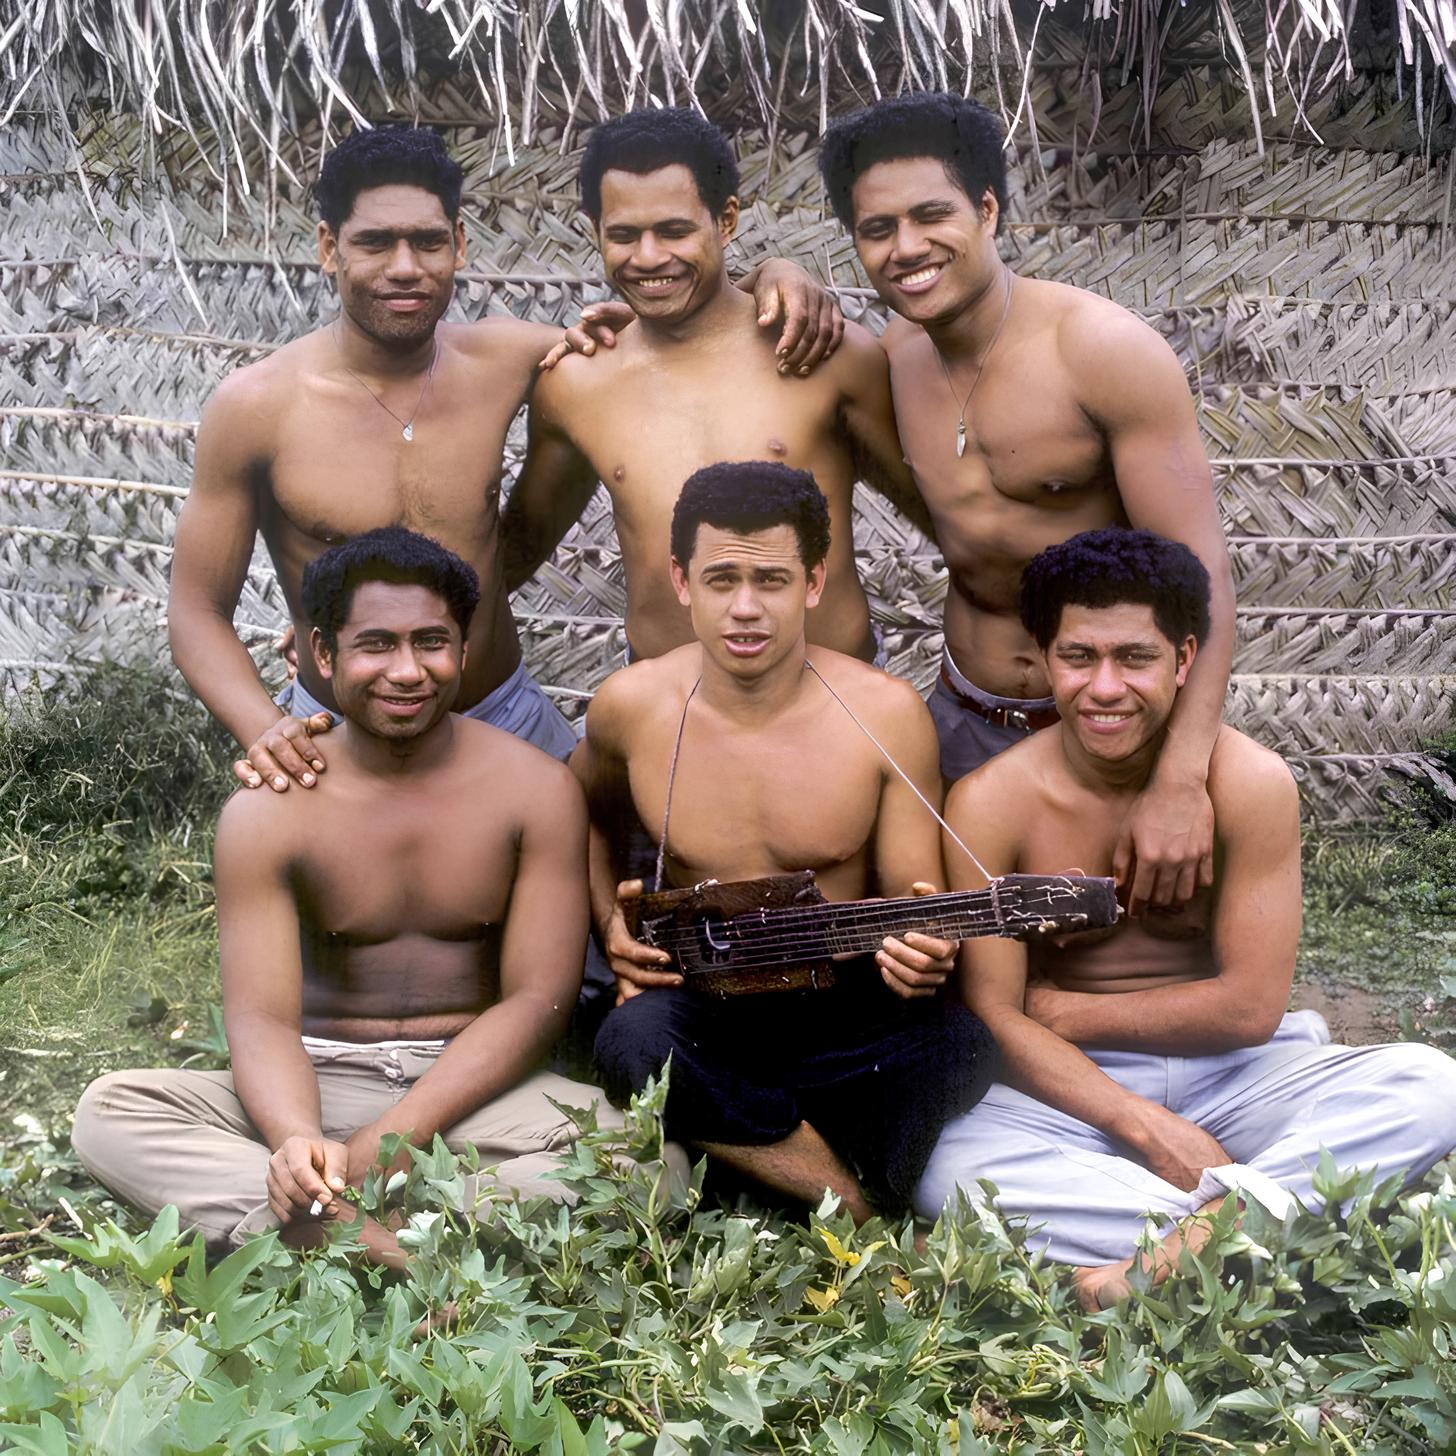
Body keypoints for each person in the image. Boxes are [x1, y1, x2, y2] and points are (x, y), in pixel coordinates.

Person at [169, 124, 836, 793]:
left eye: (427, 241)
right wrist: (263, 726)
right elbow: (197, 610)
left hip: (502, 712)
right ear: (328, 248)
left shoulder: (513, 358)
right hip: (338, 730)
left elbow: (679, 317)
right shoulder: (256, 406)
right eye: (374, 242)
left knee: (583, 869)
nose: (404, 267)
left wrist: (777, 273)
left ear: (458, 245)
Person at [913, 528, 1456, 1308]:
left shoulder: (1252, 782)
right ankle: (1267, 1227)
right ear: (1043, 657)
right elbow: (996, 1018)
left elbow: (1247, 1008)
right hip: (1084, 1095)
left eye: (1134, 658)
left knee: (1431, 1083)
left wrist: (1061, 1007)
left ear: (1184, 658)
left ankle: (1171, 1255)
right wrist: (1140, 1124)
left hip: (1243, 1075)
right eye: (1079, 657)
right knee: (944, 1162)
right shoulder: (991, 803)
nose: (1104, 688)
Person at [76, 528, 623, 1266]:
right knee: (108, 1113)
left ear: (463, 651)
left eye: (432, 642)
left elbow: (536, 1002)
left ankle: (318, 1224)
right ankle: (390, 1239)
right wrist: (297, 1139)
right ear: (323, 656)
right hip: (317, 1076)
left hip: (466, 1088)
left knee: (638, 1155)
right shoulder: (271, 806)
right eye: (376, 645)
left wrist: (399, 1137)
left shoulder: (536, 790)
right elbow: (262, 1017)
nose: (407, 671)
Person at [819, 94, 1237, 913]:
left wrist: (1182, 778)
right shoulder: (891, 361)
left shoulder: (1100, 352)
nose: (906, 248)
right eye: (877, 229)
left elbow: (1205, 579)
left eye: (931, 215)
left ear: (986, 209)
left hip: (1105, 721)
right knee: (954, 973)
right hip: (964, 711)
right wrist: (776, 276)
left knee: (1112, 953)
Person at [578, 462, 994, 1222]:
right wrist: (609, 919)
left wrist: (923, 950)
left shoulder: (885, 713)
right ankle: (854, 1203)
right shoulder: (631, 708)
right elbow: (585, 825)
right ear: (680, 580)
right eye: (721, 579)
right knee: (629, 1039)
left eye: (770, 581)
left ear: (812, 582)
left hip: (845, 1005)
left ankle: (753, 1160)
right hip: (703, 1000)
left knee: (960, 1042)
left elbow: (914, 898)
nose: (745, 608)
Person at [503, 107, 931, 665]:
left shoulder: (823, 354)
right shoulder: (576, 384)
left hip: (834, 709)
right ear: (595, 232)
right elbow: (516, 550)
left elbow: (946, 516)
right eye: (625, 235)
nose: (649, 257)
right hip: (674, 717)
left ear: (725, 221)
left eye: (675, 231)